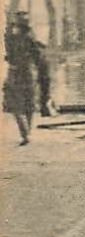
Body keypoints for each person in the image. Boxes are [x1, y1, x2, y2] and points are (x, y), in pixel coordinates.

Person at [4, 13, 46, 144]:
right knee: (29, 104)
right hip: (28, 73)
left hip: (15, 72)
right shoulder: (31, 38)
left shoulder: (12, 39)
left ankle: (25, 133)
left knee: (16, 104)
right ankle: (27, 132)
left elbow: (7, 40)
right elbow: (39, 57)